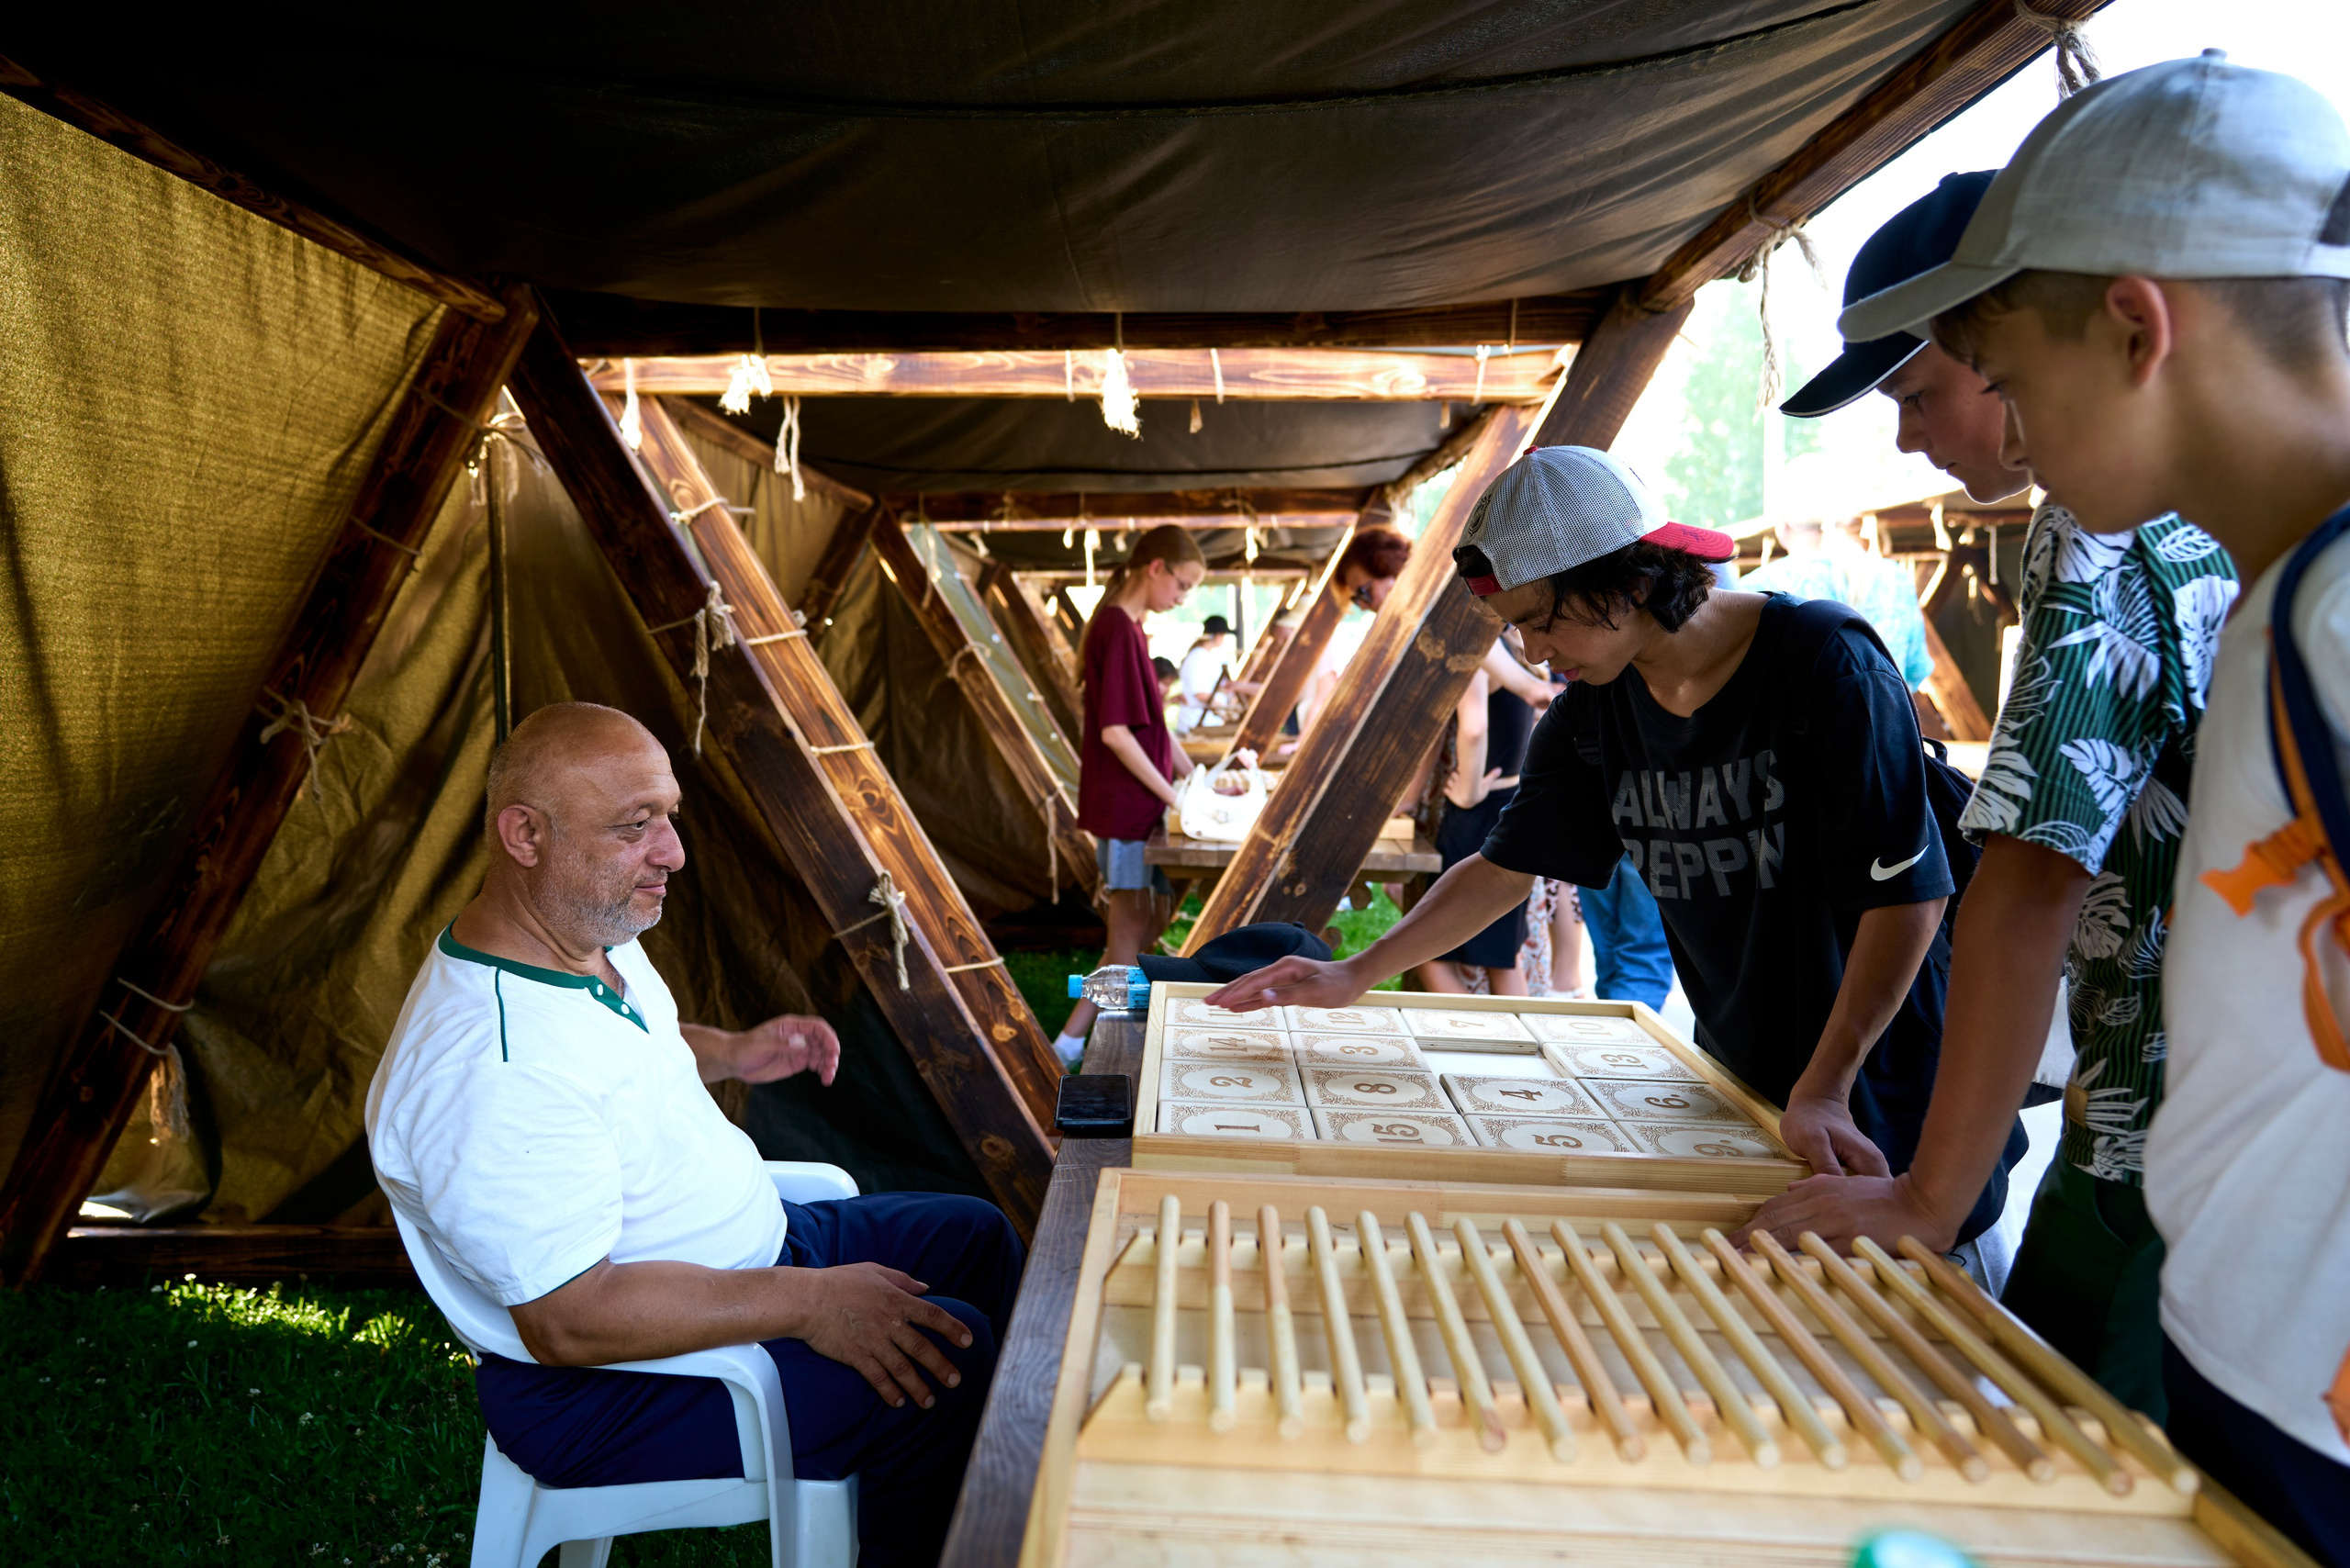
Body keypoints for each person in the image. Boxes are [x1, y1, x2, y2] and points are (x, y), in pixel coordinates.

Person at [1838, 56, 2350, 1558]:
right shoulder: (2283, 597)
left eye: (2005, 370)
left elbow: (2034, 878)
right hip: (2251, 1368)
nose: (2001, 418)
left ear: (2137, 325)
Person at [1208, 445, 2022, 1245]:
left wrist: (1827, 1084)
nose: (1532, 652)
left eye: (1538, 621)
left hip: (1883, 1092)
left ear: (1630, 581)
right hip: (1746, 1088)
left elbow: (1911, 896)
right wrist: (1354, 973)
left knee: (1924, 1325)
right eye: (1513, 629)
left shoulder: (1823, 665)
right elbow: (1502, 869)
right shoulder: (1593, 716)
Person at [1740, 168, 2235, 1411]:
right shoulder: (2236, 514)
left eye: (1939, 384)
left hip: (2165, 1160)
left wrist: (1927, 1196)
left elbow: (2025, 881)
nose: (1910, 434)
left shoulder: (2100, 522)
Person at [365, 704, 1023, 1568]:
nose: (672, 852)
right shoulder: (488, 1066)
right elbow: (571, 1321)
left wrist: (736, 1054)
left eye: (670, 816)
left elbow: (630, 1045)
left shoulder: (581, 931)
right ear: (524, 835)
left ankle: (1018, 1502)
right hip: (604, 1388)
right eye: (636, 827)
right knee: (947, 1367)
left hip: (746, 1261)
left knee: (977, 1237)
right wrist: (811, 1305)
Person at [1057, 525, 1208, 1066]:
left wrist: (1195, 772)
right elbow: (1116, 734)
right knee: (1127, 938)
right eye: (1183, 585)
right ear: (1156, 568)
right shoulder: (1119, 629)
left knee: (1143, 928)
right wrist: (1173, 793)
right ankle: (1074, 1044)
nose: (1183, 597)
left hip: (1138, 809)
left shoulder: (1130, 628)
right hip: (1128, 811)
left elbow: (1152, 727)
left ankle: (1109, 1027)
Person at [1740, 453, 1936, 694]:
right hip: (1885, 729)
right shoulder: (1893, 579)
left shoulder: (1757, 588)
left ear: (1782, 522)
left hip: (1792, 732)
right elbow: (1915, 672)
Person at [1413, 639, 1539, 995]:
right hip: (1512, 800)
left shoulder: (1478, 648)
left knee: (1428, 952)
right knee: (1502, 957)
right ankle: (1517, 1044)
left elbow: (1474, 726)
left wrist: (1467, 790)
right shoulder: (1513, 651)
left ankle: (1482, 1037)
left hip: (1481, 810)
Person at [1173, 614, 1259, 732]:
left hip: (1208, 722)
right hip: (1196, 723)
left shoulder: (1207, 656)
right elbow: (1200, 693)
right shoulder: (1198, 657)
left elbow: (1216, 687)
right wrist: (1224, 710)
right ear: (1218, 635)